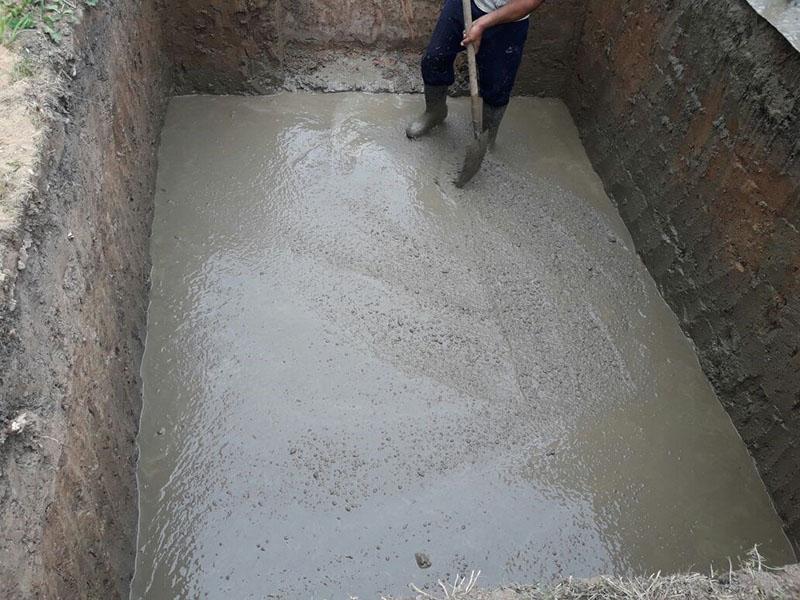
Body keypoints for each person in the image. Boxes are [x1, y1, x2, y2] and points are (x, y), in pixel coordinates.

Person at [406, 0, 547, 144]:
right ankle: (435, 112)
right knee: (435, 58)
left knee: (498, 85)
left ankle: (486, 138)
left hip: (510, 20)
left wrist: (481, 24)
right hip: (467, 4)